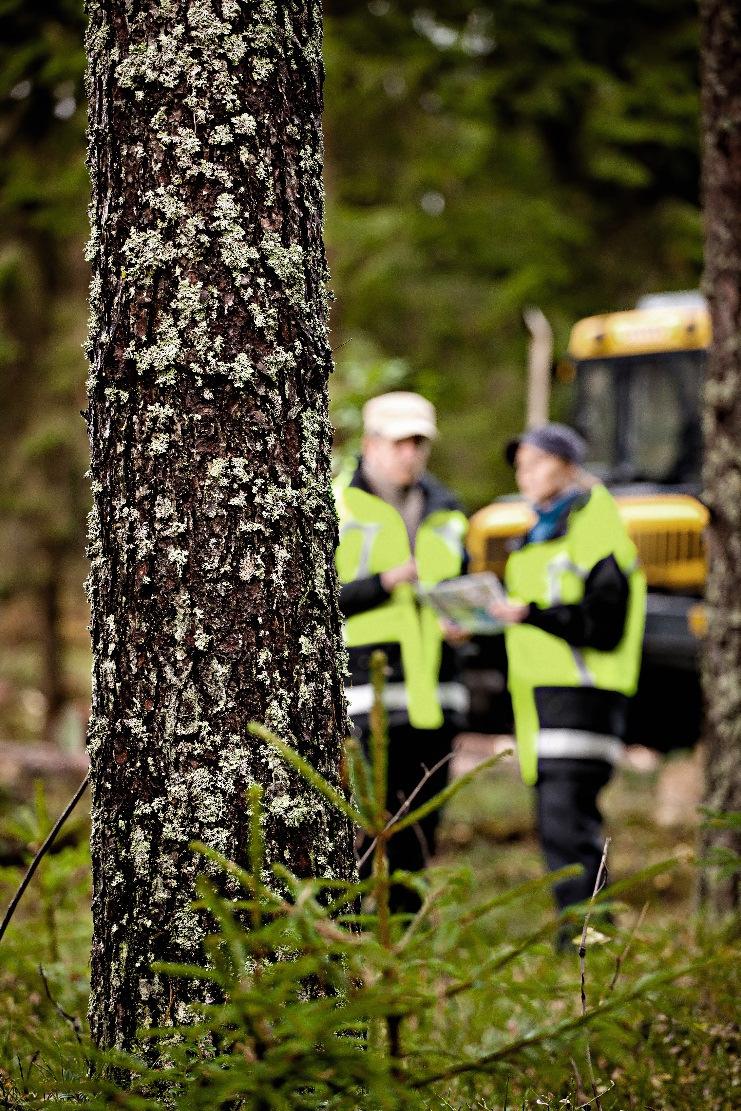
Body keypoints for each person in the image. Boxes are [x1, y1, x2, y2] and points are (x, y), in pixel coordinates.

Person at [490, 423, 645, 936]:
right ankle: (583, 935)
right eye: (520, 463)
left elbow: (603, 625)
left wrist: (530, 612)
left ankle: (586, 939)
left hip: (584, 697)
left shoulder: (595, 529)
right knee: (560, 826)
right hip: (546, 701)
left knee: (568, 825)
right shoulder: (540, 533)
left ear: (568, 467)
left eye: (536, 461)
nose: (524, 471)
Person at [334, 392, 469, 912]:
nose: (410, 454)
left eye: (419, 443)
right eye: (399, 443)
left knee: (421, 824)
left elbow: (464, 584)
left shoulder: (450, 511)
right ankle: (349, 928)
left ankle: (407, 933)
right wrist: (382, 583)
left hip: (437, 693)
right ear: (369, 444)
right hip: (365, 693)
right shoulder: (336, 506)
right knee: (363, 818)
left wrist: (462, 622)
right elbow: (308, 601)